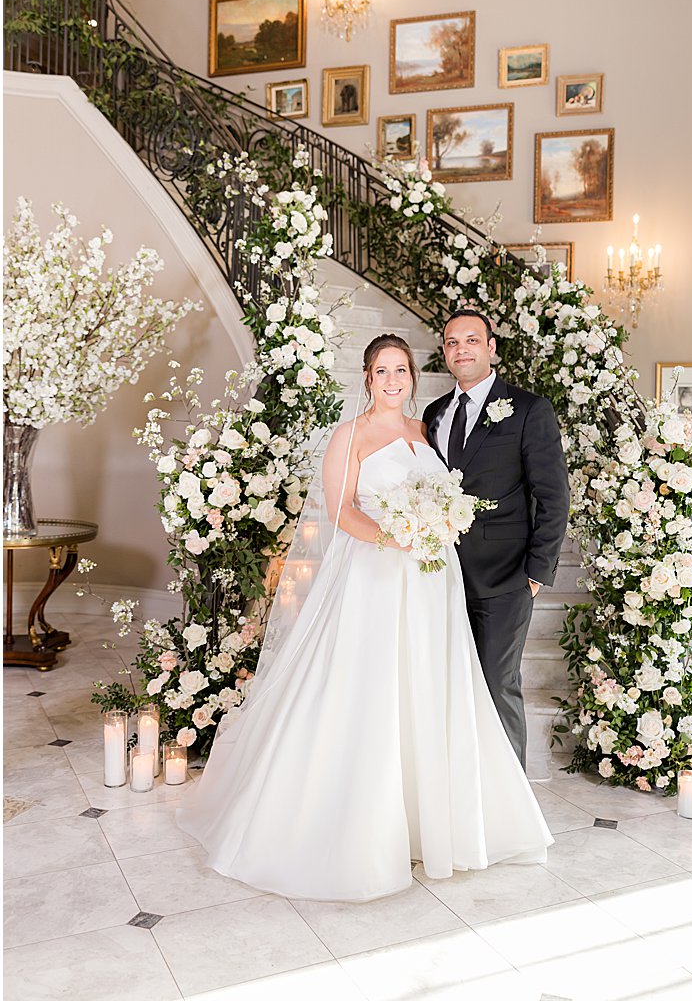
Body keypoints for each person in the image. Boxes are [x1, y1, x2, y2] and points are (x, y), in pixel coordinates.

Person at [177, 334, 552, 902]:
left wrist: (437, 526)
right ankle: (362, 828)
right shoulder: (347, 436)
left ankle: (432, 820)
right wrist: (397, 536)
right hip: (375, 577)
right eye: (383, 371)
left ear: (412, 377)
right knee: (370, 693)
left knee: (428, 690)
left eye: (402, 369)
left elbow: (451, 497)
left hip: (432, 583)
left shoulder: (425, 431)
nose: (394, 380)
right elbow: (342, 512)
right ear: (368, 377)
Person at [422, 309, 571, 766]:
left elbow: (553, 495)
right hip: (440, 574)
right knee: (449, 684)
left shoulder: (529, 409)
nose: (461, 348)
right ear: (445, 352)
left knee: (496, 681)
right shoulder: (433, 414)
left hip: (507, 577)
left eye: (471, 340)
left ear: (491, 348)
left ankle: (511, 804)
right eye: (451, 342)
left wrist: (536, 573)